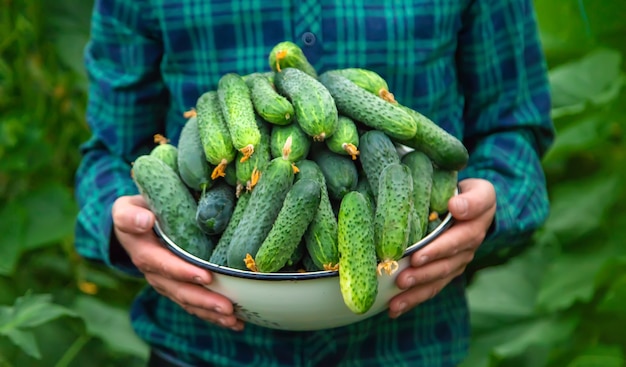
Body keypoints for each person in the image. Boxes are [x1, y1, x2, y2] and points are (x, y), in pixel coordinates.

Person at [74, 0, 555, 366]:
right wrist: (122, 222)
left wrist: (490, 203)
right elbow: (113, 153)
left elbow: (515, 126)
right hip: (202, 349)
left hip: (410, 344)